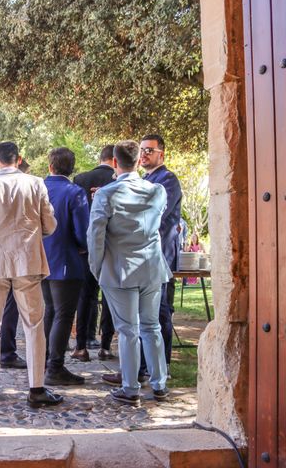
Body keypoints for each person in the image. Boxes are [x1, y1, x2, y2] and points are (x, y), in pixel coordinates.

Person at [0, 141, 63, 408]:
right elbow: (50, 224)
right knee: (33, 325)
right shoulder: (35, 183)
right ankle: (36, 387)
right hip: (27, 261)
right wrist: (31, 238)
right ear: (19, 159)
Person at [88, 140, 170, 406]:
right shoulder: (157, 191)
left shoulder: (106, 194)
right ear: (137, 161)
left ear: (114, 162)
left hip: (120, 269)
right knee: (151, 327)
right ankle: (159, 384)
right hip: (151, 268)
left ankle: (131, 388)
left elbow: (96, 235)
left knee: (128, 330)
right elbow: (156, 224)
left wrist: (96, 267)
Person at [42, 147, 89, 386]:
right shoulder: (74, 192)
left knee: (49, 311)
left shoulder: (37, 188)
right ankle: (55, 367)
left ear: (50, 166)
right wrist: (84, 246)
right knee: (63, 314)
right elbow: (82, 231)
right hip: (66, 260)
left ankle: (46, 361)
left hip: (40, 258)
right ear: (72, 168)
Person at [139, 134, 182, 375]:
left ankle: (160, 366)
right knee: (145, 314)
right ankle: (143, 366)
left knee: (160, 311)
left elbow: (156, 214)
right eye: (142, 150)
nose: (144, 154)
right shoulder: (145, 179)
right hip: (145, 255)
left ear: (161, 154)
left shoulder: (167, 180)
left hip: (161, 255)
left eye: (149, 150)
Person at [72, 144, 117, 361]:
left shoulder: (81, 179)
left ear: (101, 158)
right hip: (112, 247)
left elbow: (77, 214)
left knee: (85, 295)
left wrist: (79, 242)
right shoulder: (117, 182)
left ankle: (82, 344)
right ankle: (105, 345)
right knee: (109, 296)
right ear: (115, 160)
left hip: (86, 247)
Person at [0, 158, 31, 369]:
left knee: (7, 307)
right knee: (14, 308)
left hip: (0, 257)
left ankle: (5, 350)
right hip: (21, 256)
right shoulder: (29, 187)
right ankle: (7, 352)